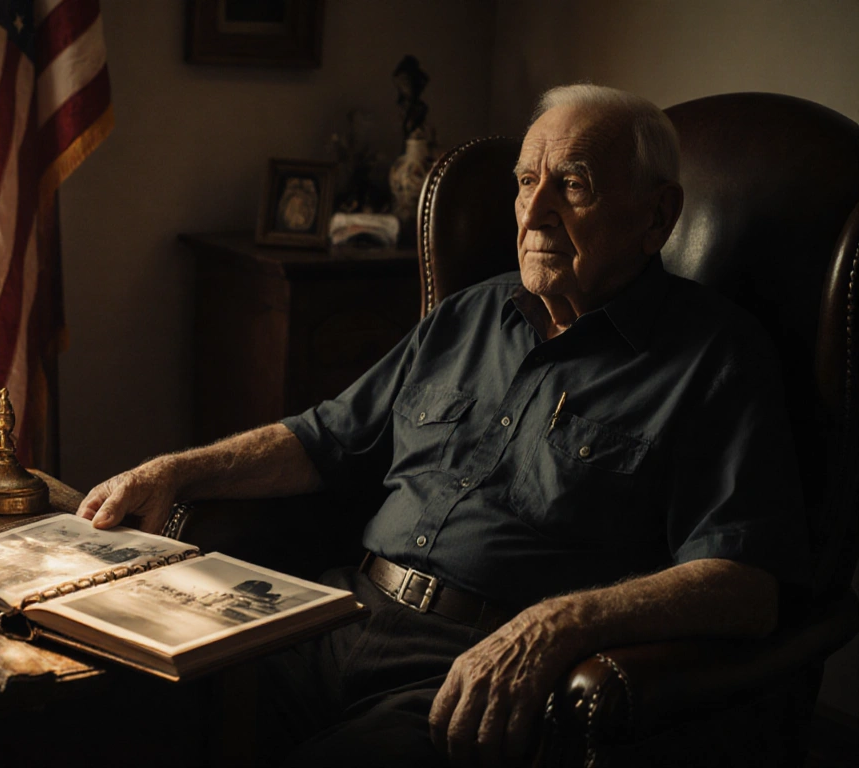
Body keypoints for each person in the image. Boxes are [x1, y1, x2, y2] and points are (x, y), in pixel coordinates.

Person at [77, 85, 810, 767]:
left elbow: (744, 585)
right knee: (106, 706)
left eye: (573, 185)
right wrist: (170, 472)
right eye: (527, 181)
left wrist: (557, 628)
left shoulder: (714, 358)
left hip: (473, 668)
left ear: (657, 217)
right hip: (335, 618)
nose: (534, 211)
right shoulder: (470, 314)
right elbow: (324, 437)